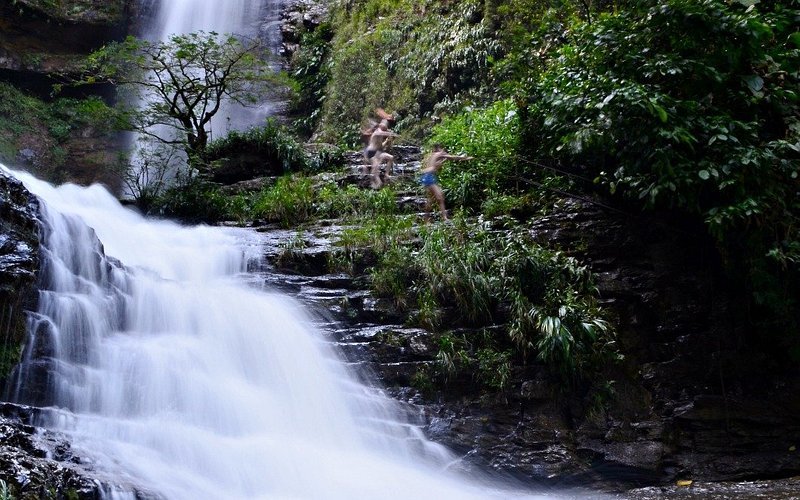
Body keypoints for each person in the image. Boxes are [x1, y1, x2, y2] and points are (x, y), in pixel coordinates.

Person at [420, 144, 473, 221]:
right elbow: (453, 157)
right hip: (429, 177)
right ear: (440, 149)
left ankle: (426, 218)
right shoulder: (439, 154)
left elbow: (440, 162)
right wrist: (466, 158)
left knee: (431, 199)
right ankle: (444, 217)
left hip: (428, 177)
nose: (444, 151)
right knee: (440, 197)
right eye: (443, 149)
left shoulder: (434, 155)